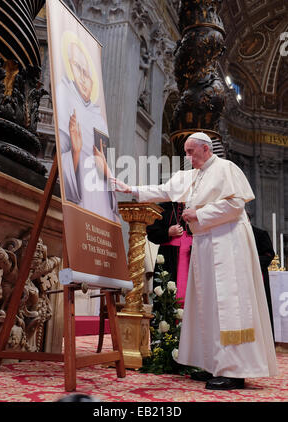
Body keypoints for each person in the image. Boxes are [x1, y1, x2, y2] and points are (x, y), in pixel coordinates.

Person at [110, 132, 278, 390]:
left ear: (205, 149)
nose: (187, 157)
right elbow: (164, 190)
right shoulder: (193, 175)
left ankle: (234, 370)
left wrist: (198, 213)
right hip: (206, 245)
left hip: (228, 244)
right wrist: (130, 189)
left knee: (227, 306)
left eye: (191, 152)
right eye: (186, 152)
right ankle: (214, 365)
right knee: (207, 304)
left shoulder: (226, 168)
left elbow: (235, 205)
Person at [56, 41, 119, 222]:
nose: (84, 78)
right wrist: (75, 151)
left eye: (87, 73)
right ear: (69, 68)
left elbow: (109, 174)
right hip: (80, 200)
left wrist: (107, 170)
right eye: (78, 68)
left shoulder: (98, 116)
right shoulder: (65, 98)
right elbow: (62, 164)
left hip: (101, 201)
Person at [146, 202, 192, 305]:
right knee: (166, 295)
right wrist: (168, 232)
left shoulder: (198, 205)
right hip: (169, 256)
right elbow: (151, 233)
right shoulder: (163, 207)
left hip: (193, 255)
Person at [251, 222, 275, 340]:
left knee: (262, 306)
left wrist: (252, 262)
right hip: (242, 277)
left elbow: (269, 254)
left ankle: (266, 338)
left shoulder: (260, 233)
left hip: (259, 274)